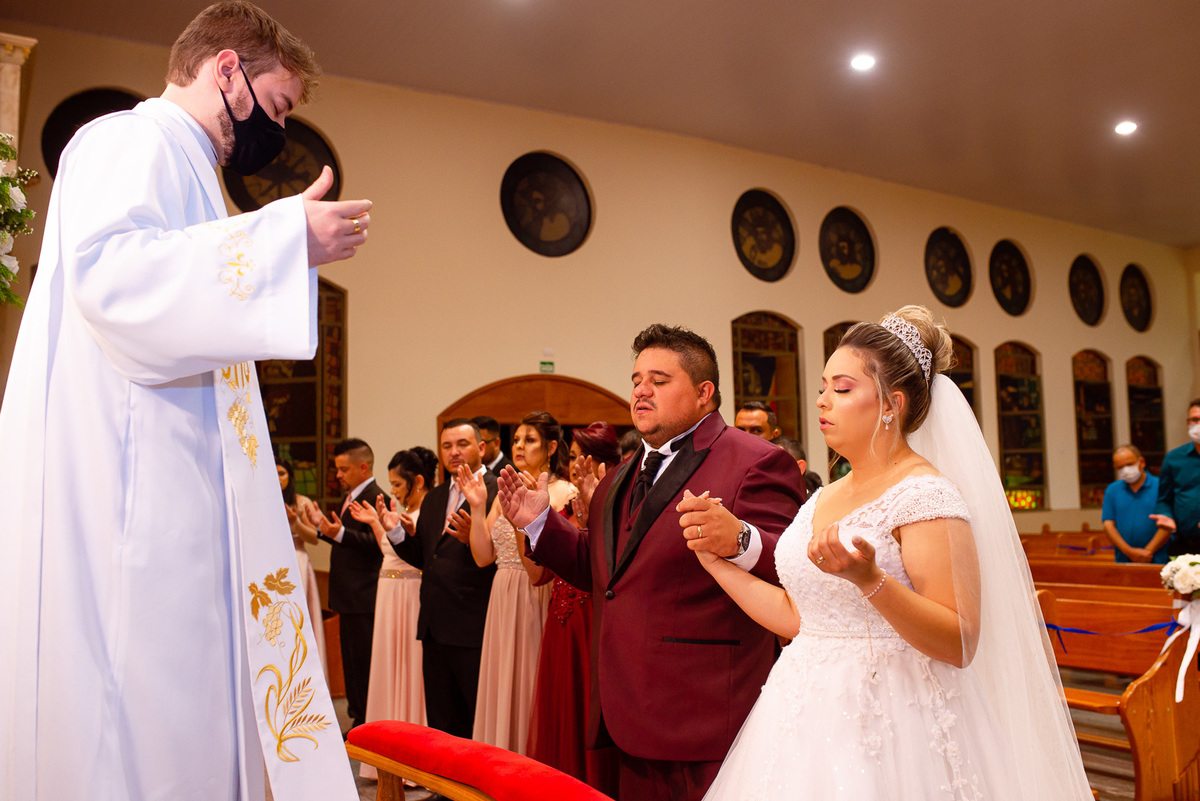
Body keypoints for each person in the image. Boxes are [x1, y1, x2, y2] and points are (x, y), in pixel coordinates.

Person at [0, 3, 371, 798]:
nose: (277, 131)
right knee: (137, 729)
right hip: (133, 506)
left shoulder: (190, 167)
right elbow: (114, 277)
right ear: (227, 68)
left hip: (178, 496)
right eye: (277, 106)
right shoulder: (129, 140)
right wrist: (280, 240)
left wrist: (270, 243)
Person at [695, 306, 1092, 800]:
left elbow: (960, 641)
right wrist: (715, 562)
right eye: (822, 387)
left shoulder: (925, 495)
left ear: (891, 404)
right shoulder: (823, 497)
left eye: (842, 389)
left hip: (897, 721)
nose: (822, 400)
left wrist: (871, 581)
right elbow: (800, 617)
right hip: (801, 716)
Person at [498, 324, 803, 801]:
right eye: (637, 380)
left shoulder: (756, 461)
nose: (641, 391)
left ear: (704, 393)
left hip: (706, 715)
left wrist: (740, 539)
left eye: (659, 381)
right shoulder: (620, 475)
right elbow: (604, 572)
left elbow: (790, 569)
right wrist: (539, 524)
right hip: (627, 710)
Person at [455, 411, 574, 753]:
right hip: (502, 592)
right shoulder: (503, 492)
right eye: (517, 440)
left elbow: (556, 559)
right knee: (502, 678)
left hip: (536, 592)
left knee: (529, 679)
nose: (519, 446)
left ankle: (530, 757)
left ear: (551, 447)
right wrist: (478, 507)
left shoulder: (564, 492)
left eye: (530, 440)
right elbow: (483, 557)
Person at [387, 420, 498, 738]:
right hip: (434, 625)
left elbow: (500, 557)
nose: (454, 452)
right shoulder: (435, 497)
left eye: (462, 444)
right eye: (447, 446)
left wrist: (473, 539)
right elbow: (427, 558)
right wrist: (395, 531)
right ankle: (444, 773)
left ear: (481, 448)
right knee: (441, 722)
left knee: (476, 719)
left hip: (472, 623)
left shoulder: (496, 490)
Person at [528, 421, 622, 791]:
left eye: (582, 456)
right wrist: (526, 525)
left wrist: (593, 510)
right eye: (572, 457)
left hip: (593, 616)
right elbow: (539, 574)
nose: (574, 464)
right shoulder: (565, 503)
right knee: (562, 707)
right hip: (561, 617)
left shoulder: (619, 498)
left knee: (590, 706)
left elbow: (610, 561)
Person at [349, 447, 436, 780]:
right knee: (388, 664)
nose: (394, 491)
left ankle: (415, 756)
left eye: (398, 485)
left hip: (410, 594)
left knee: (410, 667)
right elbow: (388, 548)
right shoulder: (404, 510)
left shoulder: (426, 512)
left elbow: (416, 553)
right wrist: (376, 523)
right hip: (388, 593)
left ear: (417, 481)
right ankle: (386, 753)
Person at [311, 438, 389, 731]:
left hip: (364, 595)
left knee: (364, 664)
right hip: (348, 595)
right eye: (337, 469)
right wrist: (324, 529)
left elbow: (380, 544)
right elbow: (346, 540)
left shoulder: (376, 497)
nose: (339, 475)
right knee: (352, 665)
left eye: (344, 469)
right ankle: (357, 718)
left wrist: (340, 533)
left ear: (363, 467)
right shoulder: (353, 496)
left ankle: (368, 722)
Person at [279, 460, 328, 673]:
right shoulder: (263, 501)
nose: (278, 478)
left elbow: (314, 538)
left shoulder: (301, 502)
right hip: (273, 564)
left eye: (282, 473)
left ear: (290, 477)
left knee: (298, 617)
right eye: (274, 473)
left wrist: (295, 523)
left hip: (296, 560)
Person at [1101, 445, 1167, 563]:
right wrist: (1129, 552)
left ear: (1141, 462)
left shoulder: (1162, 486)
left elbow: (1168, 523)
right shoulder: (1112, 490)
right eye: (1120, 467)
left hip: (1158, 558)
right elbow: (1108, 525)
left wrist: (1148, 551)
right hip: (1124, 559)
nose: (1125, 470)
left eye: (1129, 464)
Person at [1155, 399, 1200, 556]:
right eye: (1195, 419)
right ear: (1188, 423)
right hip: (1184, 544)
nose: (1198, 424)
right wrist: (1166, 516)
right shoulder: (1174, 458)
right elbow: (1163, 499)